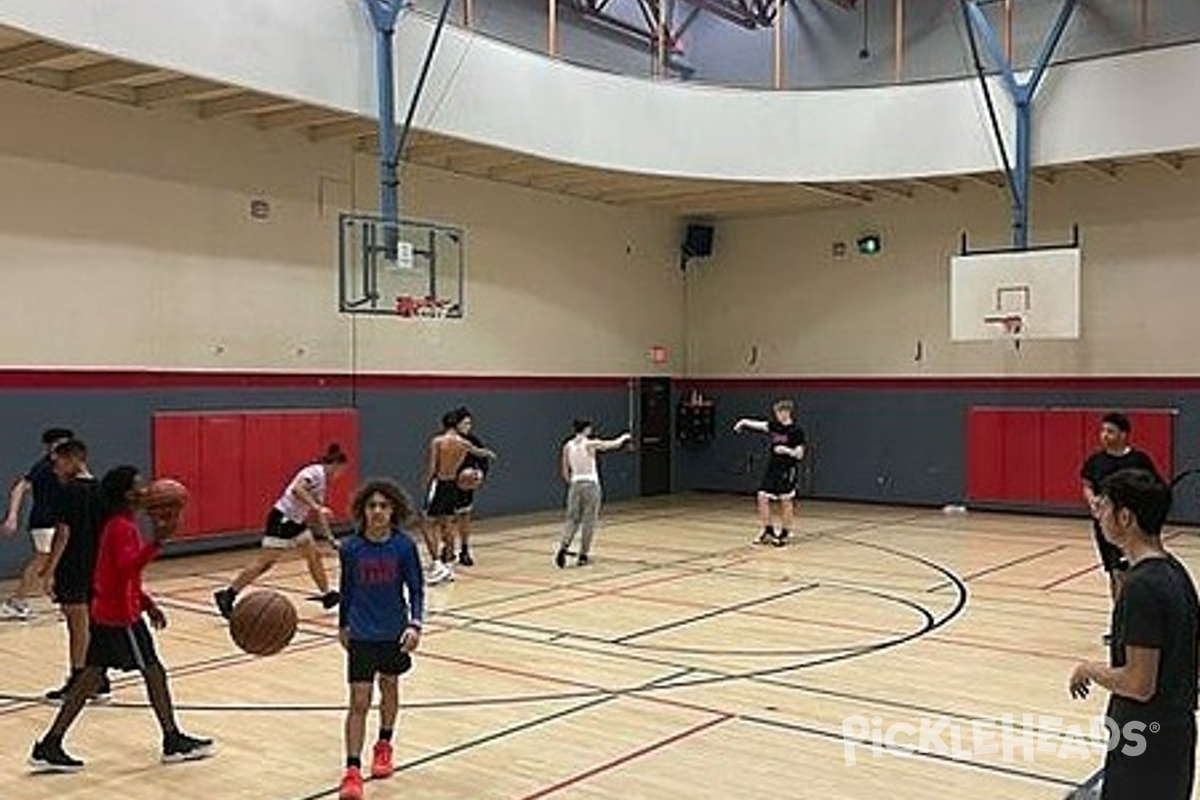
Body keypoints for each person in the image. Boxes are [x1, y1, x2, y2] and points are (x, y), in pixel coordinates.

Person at [29, 465, 213, 771]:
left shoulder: (121, 524)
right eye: (138, 487)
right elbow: (127, 569)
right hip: (119, 619)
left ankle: (50, 744)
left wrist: (146, 602)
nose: (145, 491)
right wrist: (158, 542)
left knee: (89, 680)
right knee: (154, 672)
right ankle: (172, 740)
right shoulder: (120, 528)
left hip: (112, 611)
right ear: (126, 495)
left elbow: (119, 576)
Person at [1068, 468, 1198, 800]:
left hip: (1143, 735)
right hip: (1175, 733)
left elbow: (1140, 684)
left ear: (1125, 517)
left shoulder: (1141, 587)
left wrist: (1088, 670)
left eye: (1105, 507)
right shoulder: (1176, 572)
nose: (1099, 514)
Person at [337, 479, 425, 800]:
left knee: (389, 687)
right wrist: (342, 625)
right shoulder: (350, 548)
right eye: (372, 506)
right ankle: (351, 771)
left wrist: (415, 624)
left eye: (383, 506)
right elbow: (346, 590)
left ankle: (384, 744)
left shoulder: (404, 547)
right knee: (359, 700)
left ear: (393, 510)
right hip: (361, 632)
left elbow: (416, 589)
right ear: (363, 510)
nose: (377, 511)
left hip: (393, 631)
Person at [213, 443, 348, 619]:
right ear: (335, 465)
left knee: (313, 555)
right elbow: (297, 489)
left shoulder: (322, 482)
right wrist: (315, 507)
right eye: (341, 471)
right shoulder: (314, 472)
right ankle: (228, 594)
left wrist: (330, 538)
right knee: (264, 563)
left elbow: (320, 512)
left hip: (296, 522)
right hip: (282, 519)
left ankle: (327, 594)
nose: (340, 475)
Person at [42, 438, 111, 703]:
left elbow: (63, 534)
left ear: (74, 460)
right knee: (92, 626)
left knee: (77, 627)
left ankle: (80, 680)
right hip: (98, 567)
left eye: (58, 462)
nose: (56, 468)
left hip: (74, 566)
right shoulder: (103, 490)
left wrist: (49, 571)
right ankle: (99, 678)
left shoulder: (69, 491)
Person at [1080, 413, 1162, 602]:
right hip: (1106, 526)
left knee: (1135, 572)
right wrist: (1092, 500)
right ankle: (1119, 621)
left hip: (1133, 527)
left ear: (1124, 434)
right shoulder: (1095, 461)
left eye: (1110, 431)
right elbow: (1087, 484)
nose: (1104, 435)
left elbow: (1154, 487)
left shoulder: (1139, 460)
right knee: (1115, 573)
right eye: (1102, 431)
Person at [1, 427, 74, 620]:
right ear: (51, 446)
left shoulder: (67, 466)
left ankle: (61, 599)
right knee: (44, 558)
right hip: (44, 521)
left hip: (60, 520)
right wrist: (12, 516)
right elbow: (20, 487)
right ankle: (17, 601)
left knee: (58, 560)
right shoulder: (42, 467)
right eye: (61, 443)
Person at [423, 412, 495, 585]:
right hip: (453, 486)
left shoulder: (438, 441)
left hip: (440, 484)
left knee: (426, 523)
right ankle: (449, 566)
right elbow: (481, 452)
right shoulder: (464, 443)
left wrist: (426, 484)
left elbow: (432, 468)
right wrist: (489, 455)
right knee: (448, 524)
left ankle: (437, 564)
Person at [555, 420, 631, 568]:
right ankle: (583, 555)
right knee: (589, 521)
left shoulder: (567, 446)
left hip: (575, 485)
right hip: (590, 485)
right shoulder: (590, 444)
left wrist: (573, 483)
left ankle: (564, 546)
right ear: (586, 429)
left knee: (572, 519)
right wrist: (624, 437)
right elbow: (612, 444)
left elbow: (565, 471)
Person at [733, 399, 807, 546]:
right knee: (762, 497)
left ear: (787, 412)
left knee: (786, 500)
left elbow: (800, 454)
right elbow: (759, 425)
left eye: (780, 413)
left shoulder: (796, 431)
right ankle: (768, 531)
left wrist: (786, 450)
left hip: (787, 470)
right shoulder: (774, 426)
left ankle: (785, 533)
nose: (777, 416)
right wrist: (743, 422)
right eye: (776, 413)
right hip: (772, 469)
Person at [450, 407, 494, 568]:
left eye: (470, 423)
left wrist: (480, 473)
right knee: (446, 520)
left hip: (466, 485)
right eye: (466, 423)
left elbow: (483, 459)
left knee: (464, 516)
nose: (469, 426)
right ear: (457, 424)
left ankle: (464, 549)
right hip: (449, 484)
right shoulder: (449, 440)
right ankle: (447, 549)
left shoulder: (473, 440)